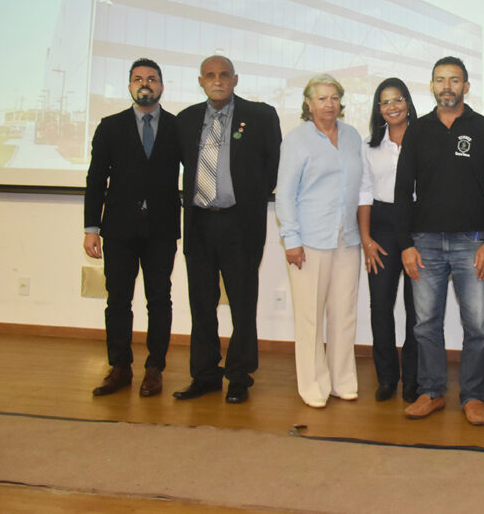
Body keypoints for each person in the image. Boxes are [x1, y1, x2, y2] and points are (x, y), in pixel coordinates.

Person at [394, 56, 484, 425]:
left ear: (466, 87)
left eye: (454, 80)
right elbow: (401, 191)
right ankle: (432, 391)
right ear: (431, 86)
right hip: (423, 243)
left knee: (476, 326)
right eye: (440, 80)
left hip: (471, 243)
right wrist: (405, 244)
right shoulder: (418, 131)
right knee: (425, 323)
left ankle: (473, 396)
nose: (447, 86)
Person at [173, 55, 282, 404]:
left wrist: (248, 199)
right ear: (201, 81)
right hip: (200, 224)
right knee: (202, 304)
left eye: (223, 75)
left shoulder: (261, 116)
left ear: (235, 79)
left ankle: (239, 376)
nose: (217, 81)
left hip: (240, 225)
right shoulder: (186, 120)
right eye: (210, 76)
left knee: (242, 304)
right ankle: (204, 375)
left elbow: (273, 167)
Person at [84, 58, 181, 398]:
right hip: (119, 230)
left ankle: (154, 369)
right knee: (119, 300)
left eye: (152, 79)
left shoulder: (176, 126)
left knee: (159, 299)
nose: (145, 84)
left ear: (161, 86)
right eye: (138, 79)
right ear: (129, 86)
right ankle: (120, 367)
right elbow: (96, 180)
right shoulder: (109, 127)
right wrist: (91, 228)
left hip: (162, 229)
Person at [276, 75, 363, 407]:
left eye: (334, 98)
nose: (329, 104)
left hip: (347, 239)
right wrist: (291, 239)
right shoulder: (297, 140)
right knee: (310, 317)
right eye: (322, 98)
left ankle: (343, 381)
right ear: (308, 104)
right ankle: (313, 385)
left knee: (344, 314)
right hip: (309, 241)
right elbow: (284, 194)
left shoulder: (353, 137)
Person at [358, 78, 419, 403]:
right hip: (380, 226)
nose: (392, 106)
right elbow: (364, 191)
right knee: (380, 304)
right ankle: (386, 378)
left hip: (417, 226)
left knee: (417, 308)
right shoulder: (369, 144)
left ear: (408, 102)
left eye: (398, 100)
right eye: (385, 102)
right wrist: (366, 238)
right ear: (378, 109)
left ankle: (412, 379)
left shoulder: (425, 138)